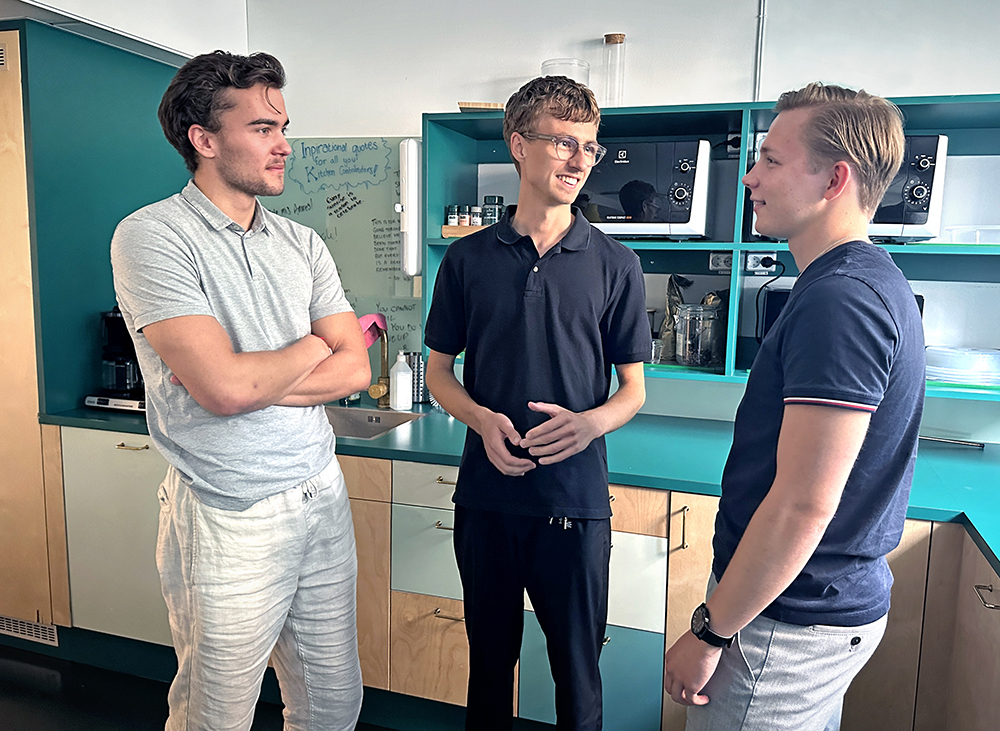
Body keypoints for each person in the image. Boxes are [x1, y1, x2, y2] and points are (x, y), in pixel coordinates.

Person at [111, 51, 370, 731]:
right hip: (229, 510)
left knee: (334, 703)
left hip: (319, 492)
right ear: (203, 139)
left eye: (283, 124)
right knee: (215, 714)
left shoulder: (302, 242)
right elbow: (225, 390)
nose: (283, 144)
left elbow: (357, 371)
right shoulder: (152, 236)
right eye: (261, 127)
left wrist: (252, 377)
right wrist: (316, 345)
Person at [662, 82, 925, 731]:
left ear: (834, 178)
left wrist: (711, 631)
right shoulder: (862, 282)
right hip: (809, 610)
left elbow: (804, 503)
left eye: (772, 160)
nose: (750, 176)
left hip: (787, 625)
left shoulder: (842, 301)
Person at [424, 75, 649, 731]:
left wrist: (589, 423)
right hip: (487, 503)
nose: (580, 159)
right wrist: (479, 418)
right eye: (563, 143)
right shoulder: (467, 261)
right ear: (519, 145)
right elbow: (440, 373)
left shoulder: (616, 265)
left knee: (578, 680)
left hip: (574, 507)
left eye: (590, 146)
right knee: (489, 673)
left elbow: (634, 388)